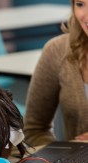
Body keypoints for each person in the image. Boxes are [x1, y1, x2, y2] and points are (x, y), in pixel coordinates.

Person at [23, 0, 88, 147]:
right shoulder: (57, 50)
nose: (86, 16)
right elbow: (34, 129)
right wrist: (62, 155)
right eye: (80, 4)